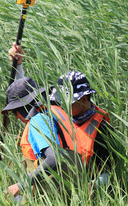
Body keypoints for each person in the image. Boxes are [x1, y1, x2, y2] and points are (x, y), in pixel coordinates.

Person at [7, 43, 114, 193]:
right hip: (54, 181)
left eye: (66, 102)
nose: (61, 106)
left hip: (85, 190)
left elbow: (110, 172)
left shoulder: (101, 128)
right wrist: (18, 65)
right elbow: (27, 102)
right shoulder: (60, 112)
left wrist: (93, 186)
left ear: (84, 99)